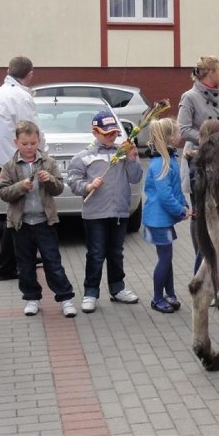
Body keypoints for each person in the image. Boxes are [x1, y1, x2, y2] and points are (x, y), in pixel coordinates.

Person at [0, 121, 77, 318]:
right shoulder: (10, 165)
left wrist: (49, 179)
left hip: (44, 221)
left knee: (53, 261)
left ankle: (65, 298)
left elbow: (59, 188)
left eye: (33, 143)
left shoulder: (48, 162)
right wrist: (20, 187)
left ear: (38, 141)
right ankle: (31, 298)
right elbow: (3, 192)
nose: (29, 147)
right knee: (25, 264)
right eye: (25, 144)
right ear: (16, 142)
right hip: (21, 223)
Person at [68, 110, 143, 314]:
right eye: (106, 133)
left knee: (116, 253)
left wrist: (132, 157)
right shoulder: (84, 156)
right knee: (96, 253)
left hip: (119, 212)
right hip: (95, 214)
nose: (111, 137)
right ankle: (90, 292)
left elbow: (135, 178)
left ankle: (117, 288)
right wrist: (88, 186)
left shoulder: (122, 153)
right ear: (95, 132)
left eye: (114, 134)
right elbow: (73, 180)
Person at [0, 56, 41, 281]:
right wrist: (40, 156)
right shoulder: (20, 97)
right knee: (18, 216)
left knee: (16, 213)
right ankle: (7, 266)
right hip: (18, 161)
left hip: (4, 161)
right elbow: (30, 131)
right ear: (29, 74)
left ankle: (14, 261)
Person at [177, 56, 219, 272]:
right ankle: (200, 263)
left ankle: (216, 262)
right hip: (197, 160)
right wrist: (208, 138)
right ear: (209, 73)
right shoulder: (190, 97)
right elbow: (183, 130)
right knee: (199, 213)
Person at [142, 118, 189, 313]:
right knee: (165, 258)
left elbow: (175, 189)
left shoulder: (168, 159)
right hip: (157, 220)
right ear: (170, 137)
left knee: (167, 257)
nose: (181, 136)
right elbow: (165, 196)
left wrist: (184, 205)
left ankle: (169, 294)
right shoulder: (161, 163)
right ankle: (157, 298)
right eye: (178, 132)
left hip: (162, 219)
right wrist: (180, 209)